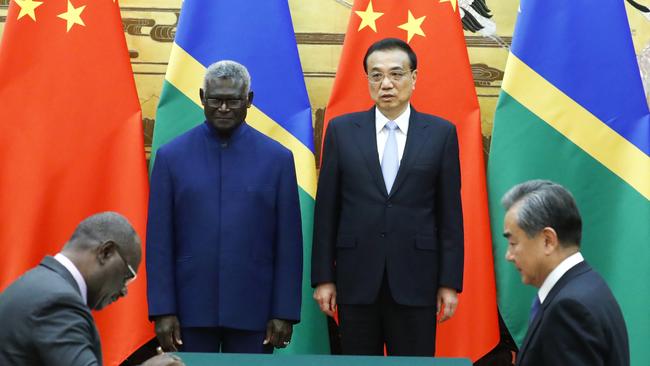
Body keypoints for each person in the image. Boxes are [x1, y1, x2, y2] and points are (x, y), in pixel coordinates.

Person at [311, 38, 464, 356]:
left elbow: (449, 215)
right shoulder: (341, 131)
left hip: (416, 279)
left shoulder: (440, 134)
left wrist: (449, 282)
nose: (386, 84)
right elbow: (327, 211)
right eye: (376, 75)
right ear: (367, 79)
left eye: (396, 74)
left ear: (414, 78)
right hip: (356, 280)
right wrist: (324, 278)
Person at [147, 60, 303, 354]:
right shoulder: (171, 158)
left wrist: (284, 311)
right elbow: (159, 242)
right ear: (202, 98)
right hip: (188, 310)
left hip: (254, 310)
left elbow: (288, 244)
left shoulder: (278, 159)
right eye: (216, 100)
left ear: (250, 101)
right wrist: (162, 310)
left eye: (233, 100)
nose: (223, 108)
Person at [0, 212, 183, 366]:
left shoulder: (40, 283)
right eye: (128, 277)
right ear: (106, 252)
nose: (123, 291)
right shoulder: (56, 301)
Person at [501, 180, 629, 366]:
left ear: (548, 240)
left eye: (513, 243)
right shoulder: (589, 286)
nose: (509, 256)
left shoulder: (570, 309)